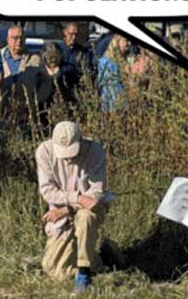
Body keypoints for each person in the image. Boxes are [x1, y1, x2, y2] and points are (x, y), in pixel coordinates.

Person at [37, 121, 108, 294]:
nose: (68, 157)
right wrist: (75, 199)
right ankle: (103, 259)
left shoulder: (95, 150)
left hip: (89, 208)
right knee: (53, 269)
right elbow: (47, 190)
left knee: (85, 217)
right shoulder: (44, 151)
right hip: (60, 212)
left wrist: (67, 209)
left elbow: (95, 193)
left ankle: (83, 273)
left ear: (81, 141)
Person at [0, 25, 48, 124]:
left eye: (22, 38)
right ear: (7, 39)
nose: (19, 41)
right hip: (1, 108)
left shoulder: (35, 59)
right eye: (15, 38)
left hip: (26, 112)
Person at [58, 22, 95, 105]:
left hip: (77, 96)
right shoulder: (58, 50)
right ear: (65, 32)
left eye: (76, 34)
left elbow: (89, 71)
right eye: (71, 34)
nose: (74, 37)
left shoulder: (83, 52)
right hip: (60, 94)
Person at [96, 35, 129, 112]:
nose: (128, 44)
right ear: (117, 42)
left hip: (122, 104)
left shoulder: (123, 61)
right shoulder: (105, 62)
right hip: (110, 104)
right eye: (125, 41)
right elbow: (108, 83)